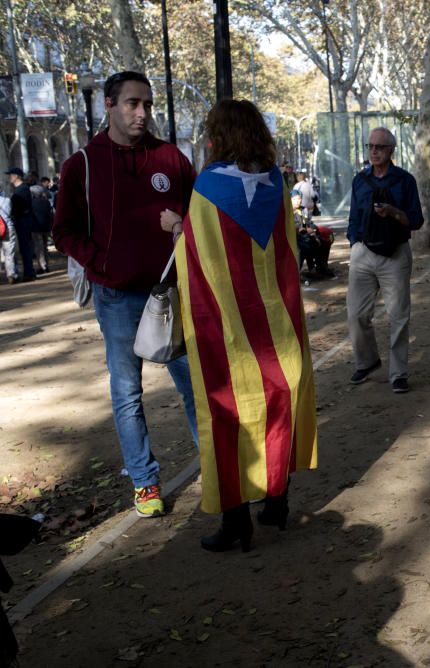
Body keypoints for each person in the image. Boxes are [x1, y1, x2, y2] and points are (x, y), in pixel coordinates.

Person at [161, 99, 318, 553]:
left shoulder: (208, 187)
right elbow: (288, 253)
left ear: (219, 136)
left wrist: (176, 226)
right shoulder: (276, 184)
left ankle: (236, 523)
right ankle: (277, 502)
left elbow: (198, 257)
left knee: (228, 415)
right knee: (277, 406)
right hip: (277, 327)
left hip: (227, 334)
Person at [52, 71, 199, 519]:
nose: (142, 113)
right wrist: (101, 264)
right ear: (110, 106)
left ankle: (216, 460)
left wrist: (182, 232)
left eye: (147, 104)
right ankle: (145, 482)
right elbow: (65, 230)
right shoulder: (82, 163)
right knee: (127, 393)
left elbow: (198, 219)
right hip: (115, 298)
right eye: (133, 103)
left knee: (194, 383)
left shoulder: (171, 158)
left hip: (170, 295)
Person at [346, 127, 423, 393]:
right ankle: (366, 362)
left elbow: (416, 220)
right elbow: (353, 216)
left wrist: (393, 212)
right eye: (370, 146)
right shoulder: (359, 181)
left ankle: (398, 373)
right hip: (363, 253)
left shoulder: (405, 180)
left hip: (396, 254)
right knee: (356, 314)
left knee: (398, 316)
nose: (374, 151)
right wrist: (354, 241)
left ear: (392, 150)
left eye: (380, 147)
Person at [6, 167, 36, 282]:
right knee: (25, 248)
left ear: (16, 176)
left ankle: (29, 273)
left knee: (25, 248)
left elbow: (22, 208)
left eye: (11, 175)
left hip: (23, 221)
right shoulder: (21, 189)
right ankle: (29, 272)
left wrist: (13, 212)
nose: (9, 177)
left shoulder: (22, 189)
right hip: (22, 220)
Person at [29, 185, 52, 273]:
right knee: (45, 247)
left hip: (36, 227)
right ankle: (46, 264)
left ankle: (42, 266)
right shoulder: (46, 202)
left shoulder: (31, 203)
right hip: (46, 227)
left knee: (39, 247)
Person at [0, 193, 18, 284]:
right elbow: (10, 212)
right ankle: (11, 274)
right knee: (9, 252)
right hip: (7, 227)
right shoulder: (6, 200)